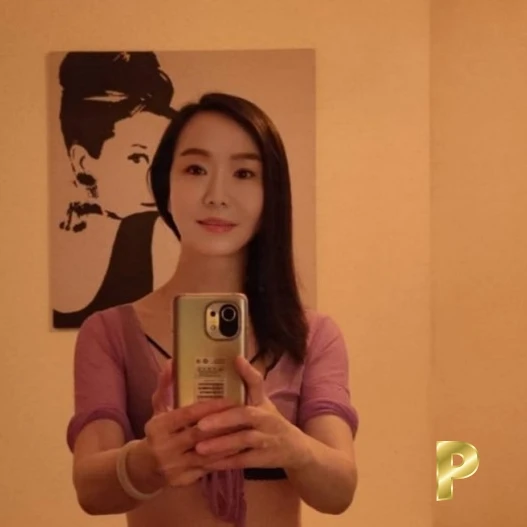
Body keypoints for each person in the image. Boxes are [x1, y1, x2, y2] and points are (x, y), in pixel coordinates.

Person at [66, 93, 359, 527]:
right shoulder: (109, 332)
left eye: (244, 173)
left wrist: (290, 445)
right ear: (164, 184)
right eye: (195, 169)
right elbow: (90, 490)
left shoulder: (313, 334)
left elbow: (340, 491)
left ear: (271, 194)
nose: (217, 195)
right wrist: (148, 459)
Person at [53, 51, 178, 329]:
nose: (153, 180)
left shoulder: (154, 232)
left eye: (160, 161)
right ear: (82, 162)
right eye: (136, 158)